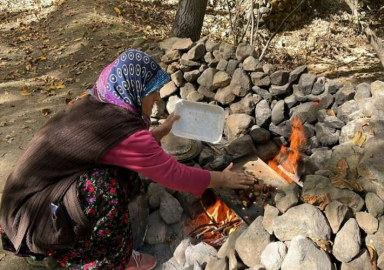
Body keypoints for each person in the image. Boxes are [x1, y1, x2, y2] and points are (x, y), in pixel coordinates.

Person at [0, 49, 254, 270]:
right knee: (106, 185)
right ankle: (109, 260)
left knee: (119, 175)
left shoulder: (99, 102)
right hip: (32, 218)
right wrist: (222, 178)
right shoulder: (124, 133)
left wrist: (159, 132)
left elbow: (119, 149)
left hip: (25, 201)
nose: (157, 99)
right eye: (151, 92)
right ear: (133, 90)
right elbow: (175, 175)